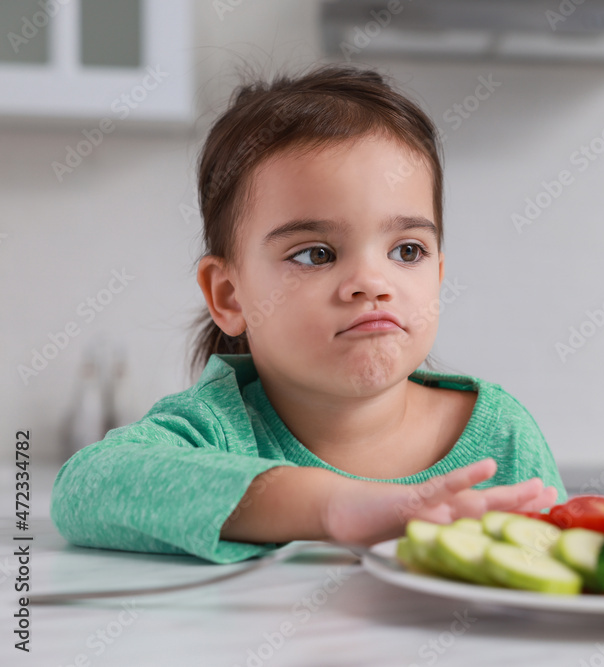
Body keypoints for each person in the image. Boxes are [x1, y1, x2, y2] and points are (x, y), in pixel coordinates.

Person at [51, 65, 566, 564]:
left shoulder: (500, 435)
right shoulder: (219, 431)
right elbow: (84, 486)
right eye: (315, 253)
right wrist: (331, 507)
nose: (372, 282)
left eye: (407, 251)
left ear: (437, 272)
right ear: (230, 295)